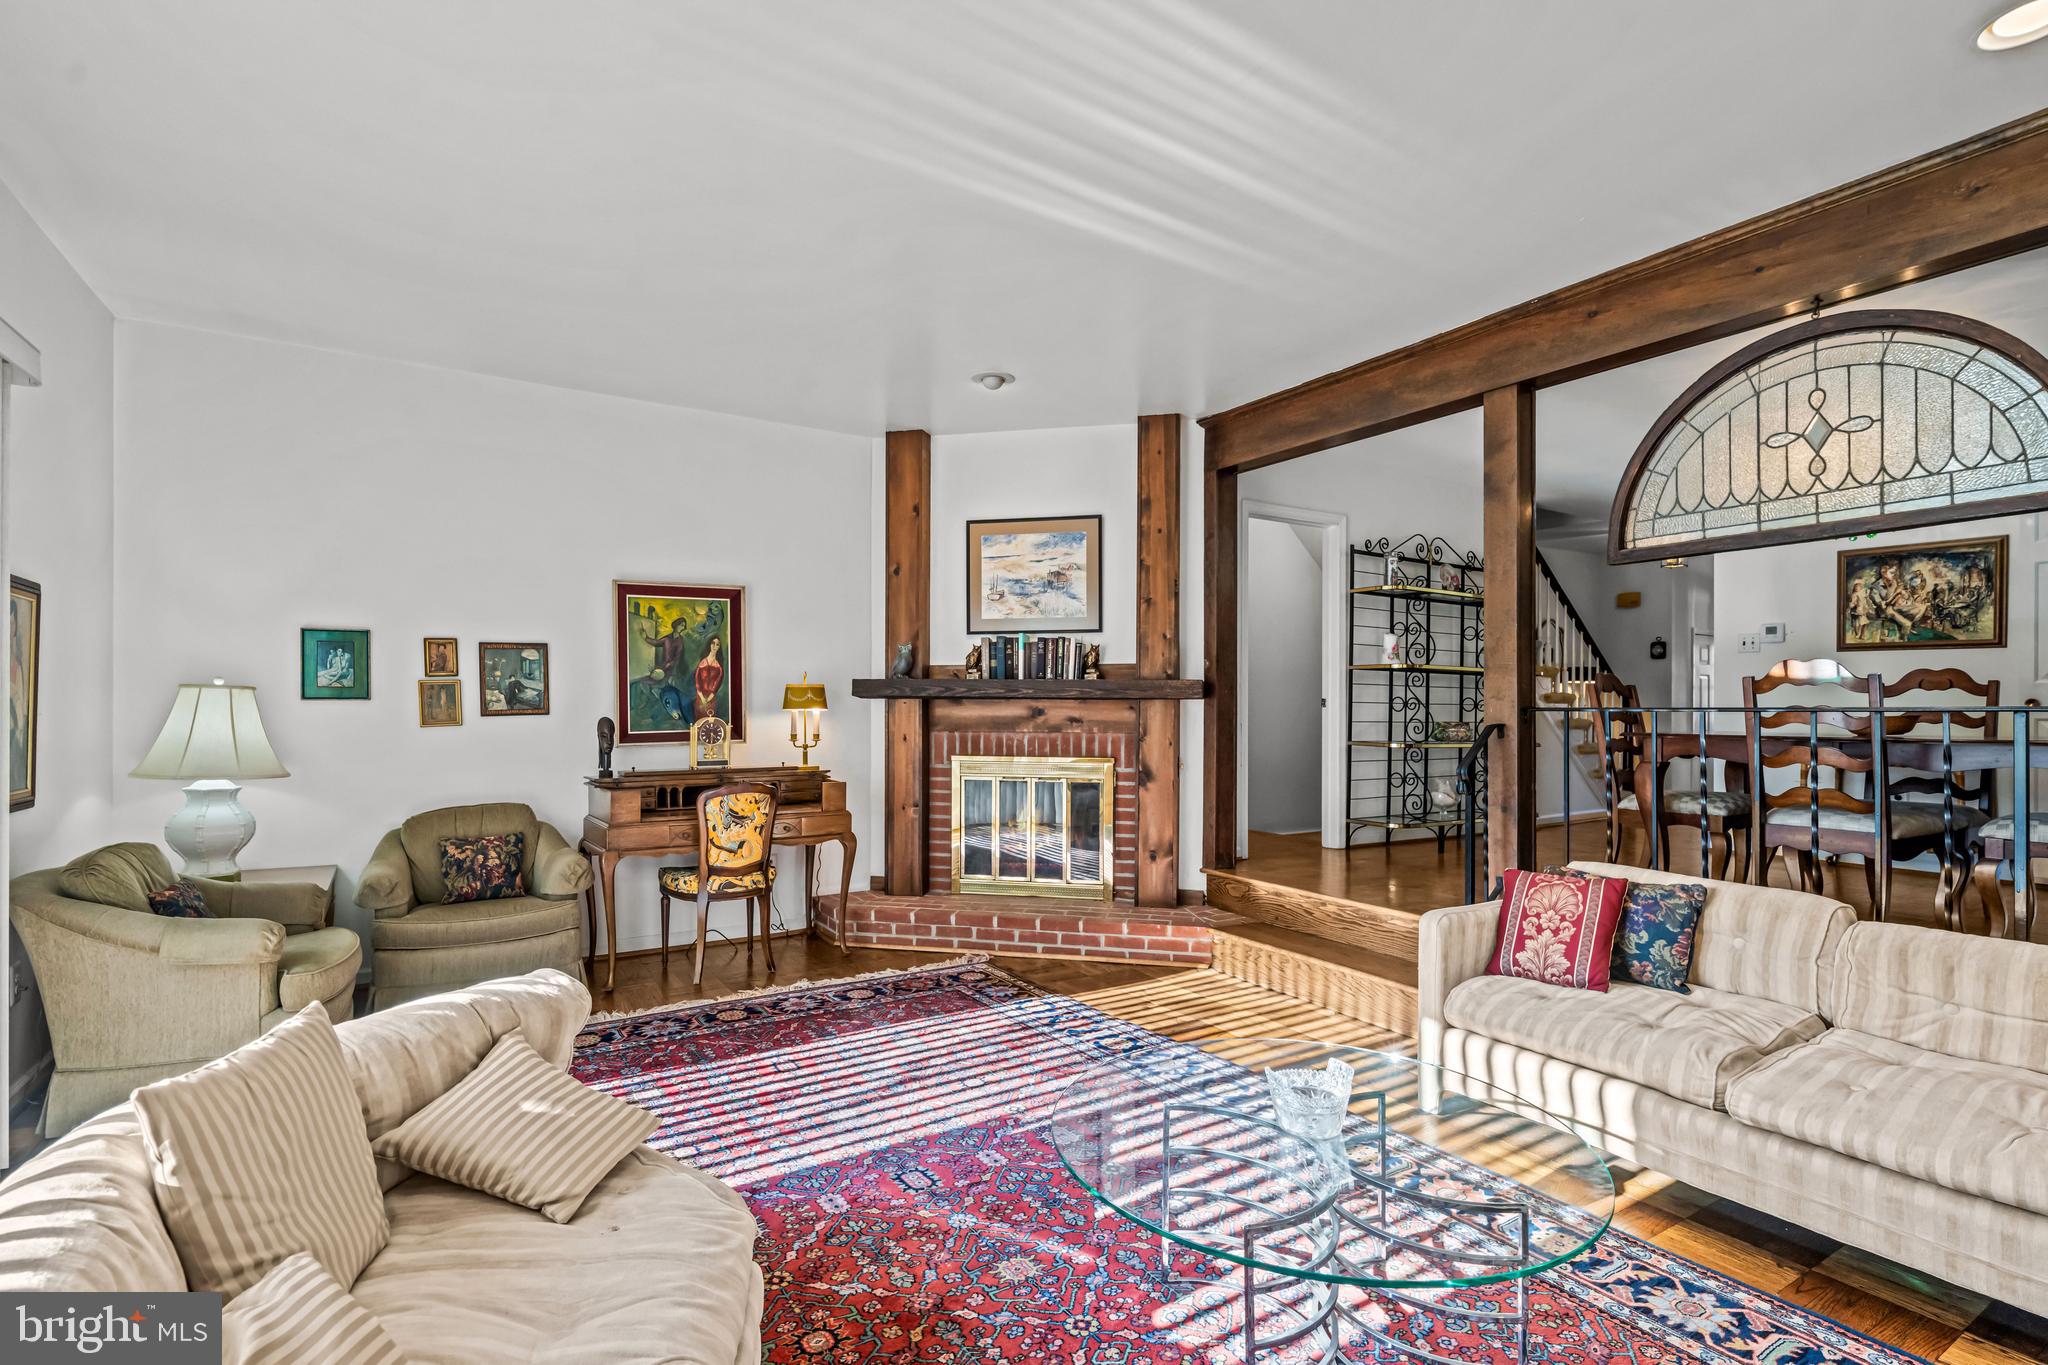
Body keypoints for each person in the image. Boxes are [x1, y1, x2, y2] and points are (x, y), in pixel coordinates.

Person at [693, 635, 725, 725]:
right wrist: (702, 698)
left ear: (719, 647)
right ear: (709, 645)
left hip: (711, 698)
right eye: (713, 643)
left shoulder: (719, 666)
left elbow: (716, 686)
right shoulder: (702, 662)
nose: (714, 646)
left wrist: (708, 699)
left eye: (717, 644)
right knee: (699, 721)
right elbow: (697, 682)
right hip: (700, 697)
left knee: (709, 721)